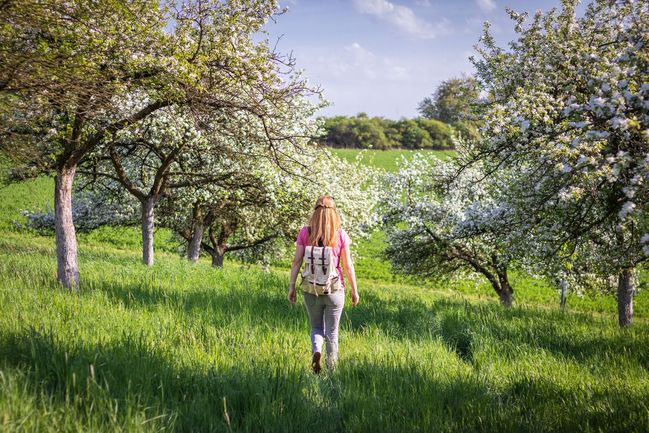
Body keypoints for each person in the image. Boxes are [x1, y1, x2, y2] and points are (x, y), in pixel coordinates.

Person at [288, 195, 360, 374]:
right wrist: (354, 290)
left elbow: (297, 262)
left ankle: (317, 350)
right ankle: (332, 372)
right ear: (334, 213)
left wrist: (291, 286)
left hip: (311, 289)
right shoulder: (340, 234)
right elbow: (347, 265)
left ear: (315, 212)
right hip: (334, 289)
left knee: (316, 327)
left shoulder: (305, 232)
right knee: (332, 333)